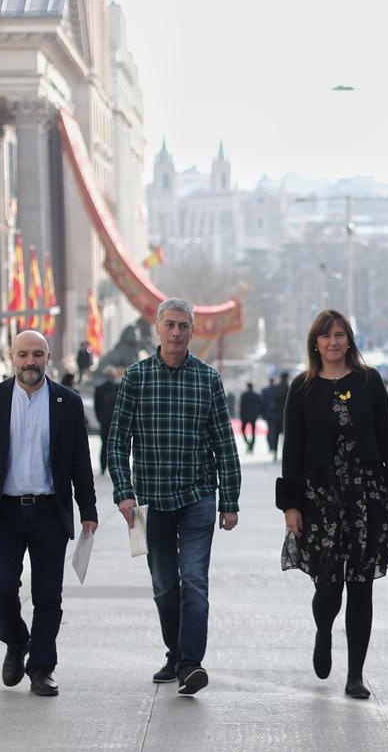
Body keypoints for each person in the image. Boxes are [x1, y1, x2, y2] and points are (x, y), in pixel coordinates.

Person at [107, 298, 242, 696]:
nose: (177, 332)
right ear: (157, 328)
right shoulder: (135, 378)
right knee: (164, 584)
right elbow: (117, 442)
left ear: (192, 330)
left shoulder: (207, 379)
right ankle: (174, 651)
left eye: (184, 325)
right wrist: (124, 493)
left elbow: (224, 442)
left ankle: (190, 664)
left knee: (194, 581)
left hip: (198, 496)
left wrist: (229, 500)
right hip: (149, 500)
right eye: (170, 325)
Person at [277, 309, 388, 700]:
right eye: (326, 336)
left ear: (349, 340)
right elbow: (293, 450)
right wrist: (291, 504)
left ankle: (355, 674)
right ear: (315, 343)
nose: (334, 342)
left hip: (366, 494)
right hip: (319, 497)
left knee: (361, 585)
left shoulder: (369, 382)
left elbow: (387, 437)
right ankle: (323, 631)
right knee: (329, 586)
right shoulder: (302, 388)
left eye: (340, 335)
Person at [0, 330, 98, 697]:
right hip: (3, 514)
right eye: (23, 355)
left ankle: (41, 668)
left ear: (48, 357)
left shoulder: (67, 402)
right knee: (1, 589)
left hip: (49, 512)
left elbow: (81, 462)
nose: (30, 361)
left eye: (37, 354)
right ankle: (17, 641)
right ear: (11, 357)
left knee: (48, 595)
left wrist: (88, 510)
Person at [92, 368, 119, 476]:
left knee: (104, 445)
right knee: (115, 446)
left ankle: (103, 467)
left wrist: (100, 418)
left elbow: (96, 406)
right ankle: (115, 467)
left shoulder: (99, 389)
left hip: (104, 421)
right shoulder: (117, 387)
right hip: (116, 421)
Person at [262, 373, 290, 458]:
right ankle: (285, 453)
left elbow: (272, 400)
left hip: (275, 415)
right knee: (286, 435)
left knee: (275, 434)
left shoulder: (275, 388)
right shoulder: (289, 388)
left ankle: (275, 452)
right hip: (285, 415)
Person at [239, 382, 262, 453]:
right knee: (253, 431)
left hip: (245, 416)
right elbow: (260, 405)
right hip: (253, 416)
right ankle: (251, 445)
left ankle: (248, 444)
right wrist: (258, 413)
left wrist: (241, 416)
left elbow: (242, 406)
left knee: (242, 430)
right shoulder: (256, 395)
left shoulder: (244, 395)